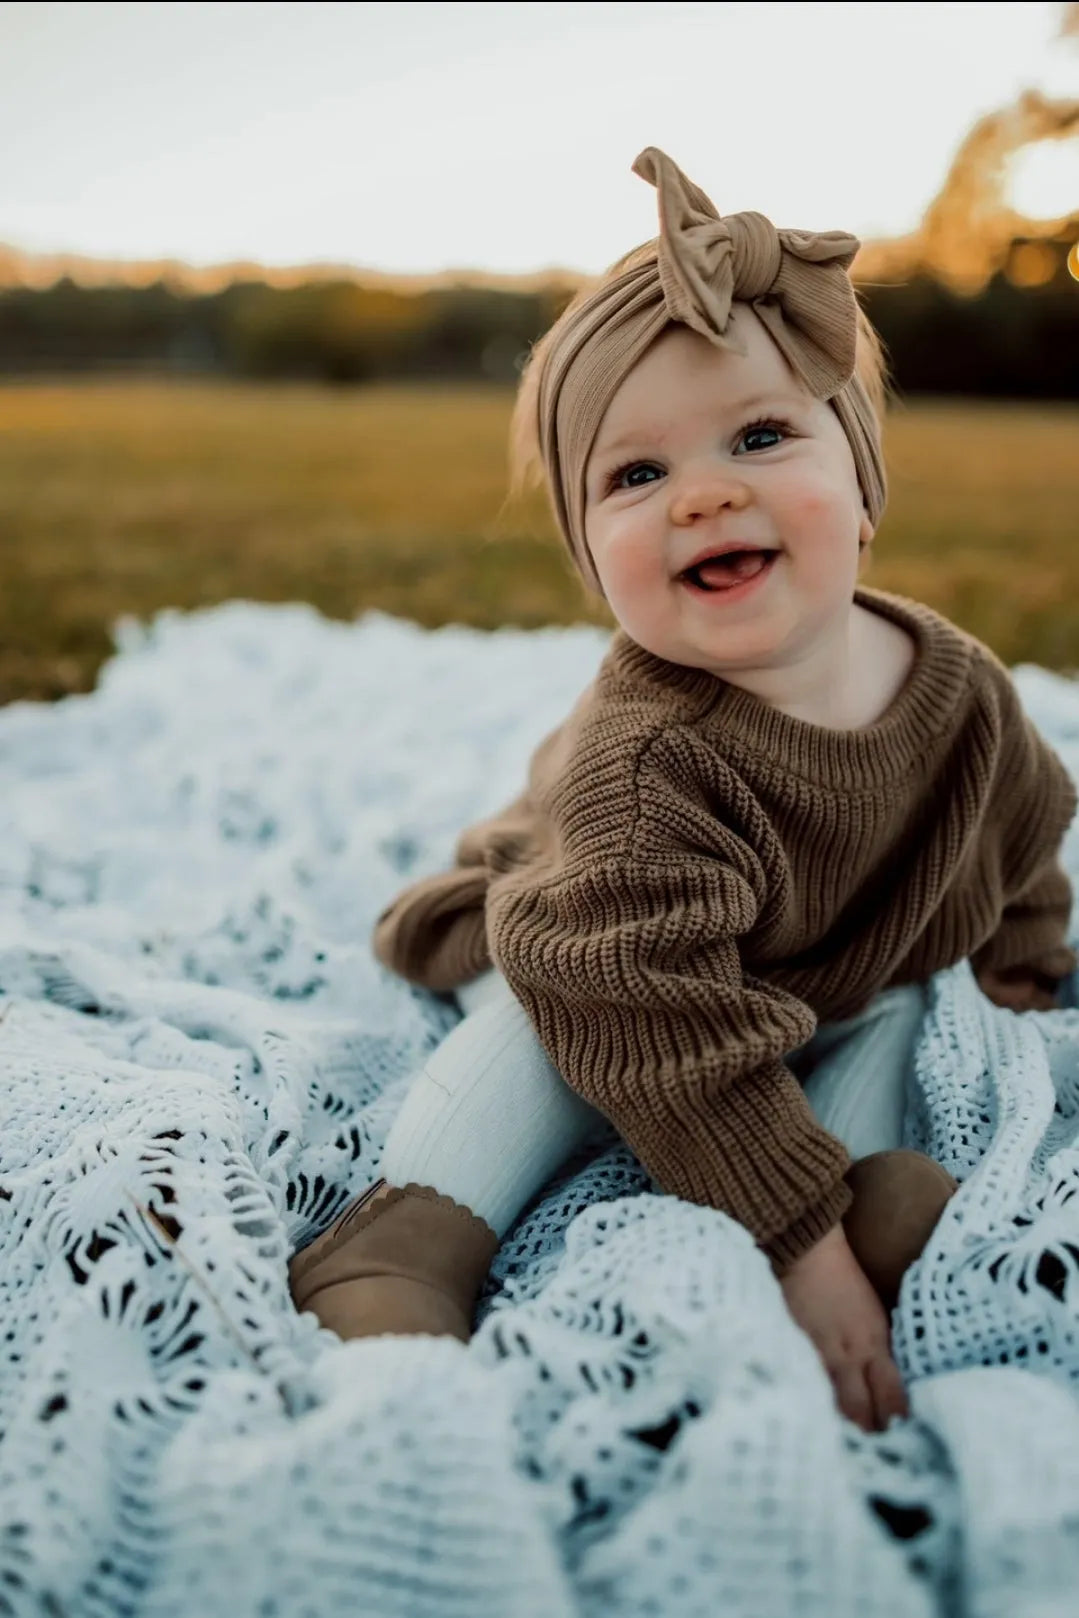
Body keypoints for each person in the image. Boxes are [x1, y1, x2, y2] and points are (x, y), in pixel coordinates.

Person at [288, 149, 1076, 1433]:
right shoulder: (647, 763)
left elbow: (1014, 830)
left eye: (760, 435)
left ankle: (873, 1189)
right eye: (634, 475)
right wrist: (795, 1255)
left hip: (820, 967)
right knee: (551, 1044)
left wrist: (1017, 974)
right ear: (593, 557)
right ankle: (406, 1234)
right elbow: (642, 1011)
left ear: (861, 487)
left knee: (896, 1019)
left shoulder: (960, 688)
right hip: (600, 954)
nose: (704, 492)